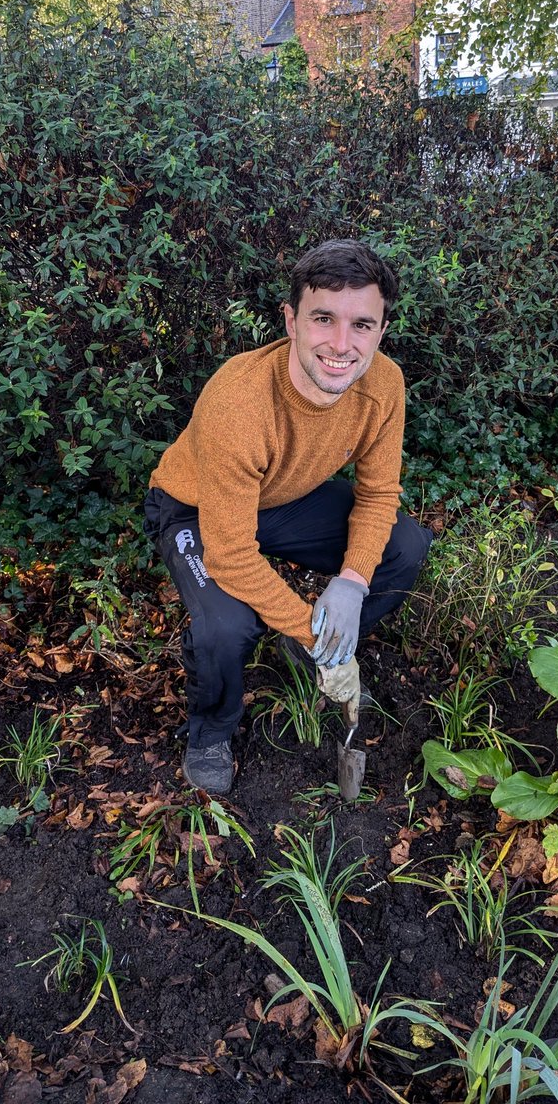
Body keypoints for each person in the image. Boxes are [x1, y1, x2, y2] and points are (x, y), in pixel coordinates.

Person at [143, 238, 433, 793]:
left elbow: (377, 494)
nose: (342, 345)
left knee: (404, 546)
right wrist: (313, 628)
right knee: (227, 624)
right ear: (292, 320)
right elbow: (230, 556)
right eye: (323, 318)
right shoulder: (239, 403)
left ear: (381, 330)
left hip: (282, 497)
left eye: (362, 325)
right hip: (195, 508)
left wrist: (351, 583)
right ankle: (211, 731)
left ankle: (313, 654)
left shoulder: (383, 384)